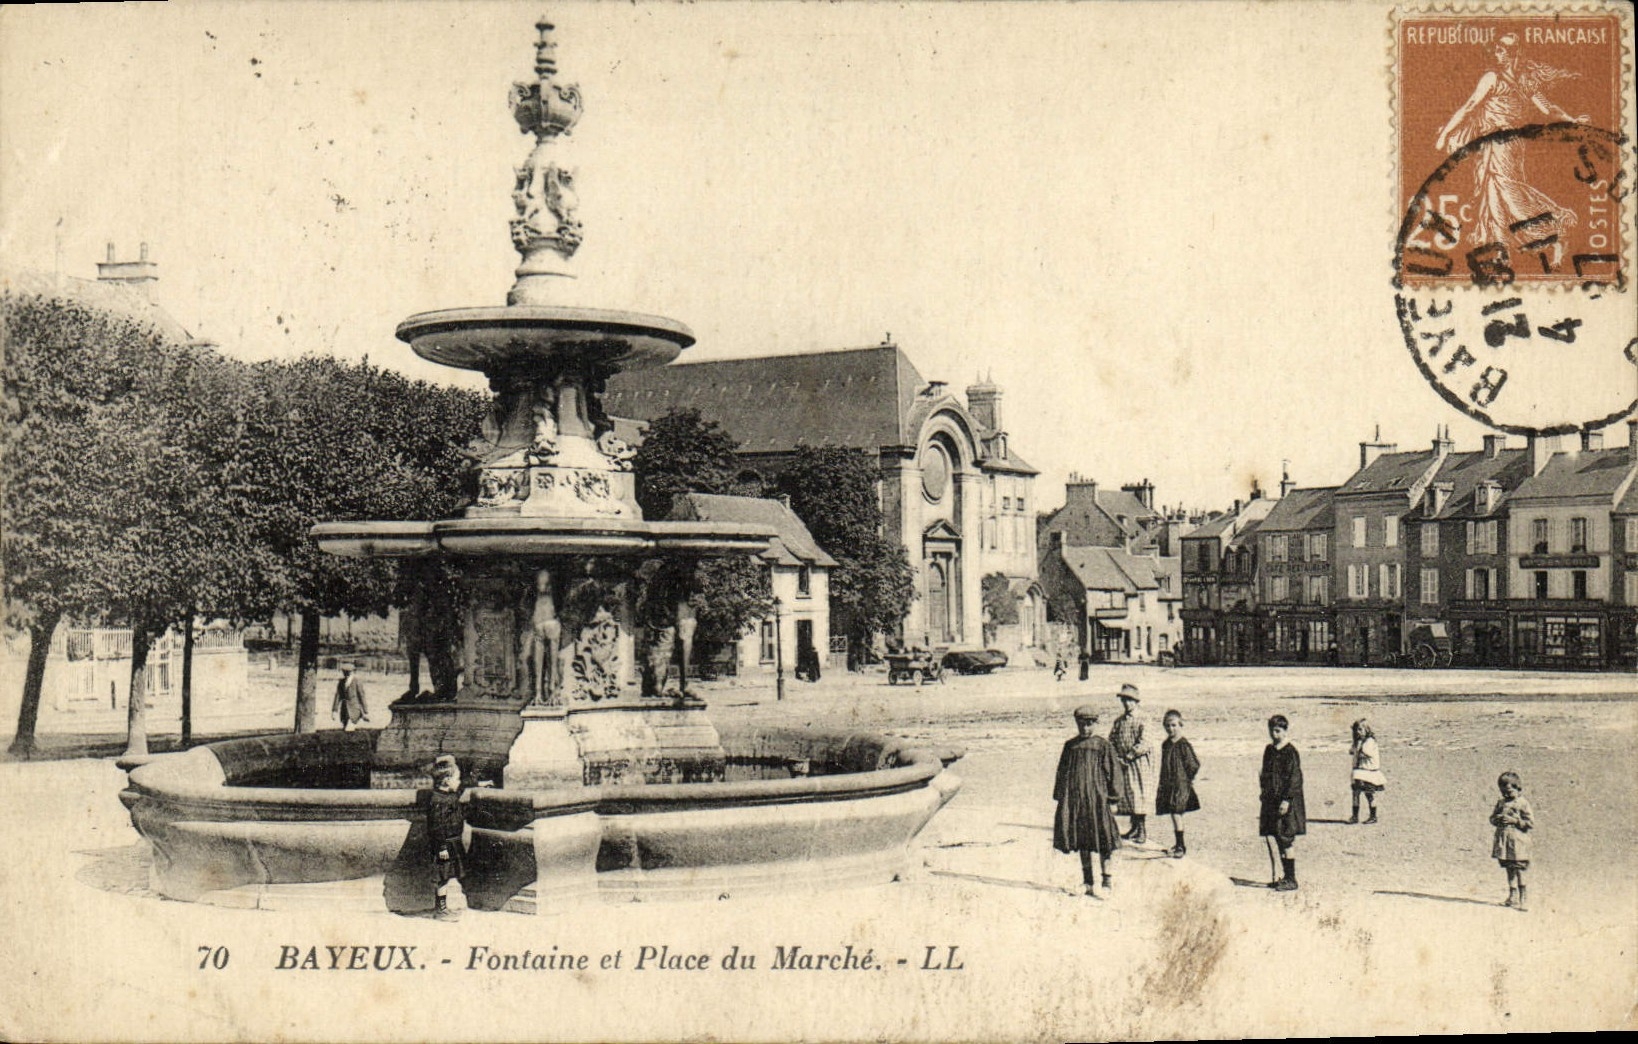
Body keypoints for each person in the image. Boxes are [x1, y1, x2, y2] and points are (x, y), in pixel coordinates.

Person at [1432, 33, 1589, 260]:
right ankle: (1498, 246)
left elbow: (1470, 107)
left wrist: (1445, 134)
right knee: (1495, 191)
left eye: (1501, 50)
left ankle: (1553, 222)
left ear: (1513, 53)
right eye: (1497, 49)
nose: (1497, 53)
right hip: (1509, 145)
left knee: (1506, 189)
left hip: (1500, 145)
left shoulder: (1496, 79)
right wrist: (1572, 119)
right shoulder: (1520, 81)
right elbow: (1548, 109)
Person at [1053, 705, 1121, 898]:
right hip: (1077, 801)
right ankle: (1088, 882)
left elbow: (1114, 773)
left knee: (1104, 841)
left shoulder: (1103, 745)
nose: (1085, 728)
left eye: (1090, 724)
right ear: (1077, 723)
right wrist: (1062, 798)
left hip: (1098, 801)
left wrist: (1114, 799)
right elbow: (1062, 773)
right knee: (1083, 841)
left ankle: (1107, 883)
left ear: (1096, 723)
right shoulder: (1070, 746)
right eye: (1082, 724)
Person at [1259, 714, 1306, 891]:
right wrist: (1263, 792)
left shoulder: (1290, 752)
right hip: (1271, 801)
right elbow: (1265, 774)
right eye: (1271, 730)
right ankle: (1282, 876)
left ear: (1285, 731)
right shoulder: (1269, 750)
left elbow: (1295, 779)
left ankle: (1291, 878)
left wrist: (1287, 800)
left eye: (1278, 730)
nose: (1274, 733)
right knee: (1276, 836)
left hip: (1286, 803)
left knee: (1286, 839)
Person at [1108, 683, 1152, 844]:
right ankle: (1133, 828)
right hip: (1122, 763)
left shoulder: (1144, 719)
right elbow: (1111, 739)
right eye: (1124, 700)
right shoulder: (1119, 721)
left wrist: (1129, 755)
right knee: (1128, 795)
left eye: (1130, 700)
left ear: (1136, 701)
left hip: (1139, 764)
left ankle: (1142, 830)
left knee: (1139, 794)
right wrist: (1115, 757)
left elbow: (1145, 742)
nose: (1127, 703)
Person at [1155, 709, 1200, 858]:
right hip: (1169, 784)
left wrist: (1186, 779)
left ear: (1181, 725)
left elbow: (1194, 765)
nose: (1171, 729)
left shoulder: (1183, 745)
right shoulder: (1166, 744)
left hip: (1180, 784)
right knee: (1173, 812)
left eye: (1174, 725)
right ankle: (1178, 843)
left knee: (1176, 812)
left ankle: (1181, 845)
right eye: (1167, 726)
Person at [428, 755, 467, 920]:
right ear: (447, 780)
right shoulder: (438, 800)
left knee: (448, 874)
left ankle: (444, 908)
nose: (459, 782)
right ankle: (441, 910)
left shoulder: (449, 795)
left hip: (453, 842)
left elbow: (461, 788)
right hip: (444, 844)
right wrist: (441, 848)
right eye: (456, 778)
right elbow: (436, 827)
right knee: (442, 877)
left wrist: (480, 784)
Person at [1490, 771, 1534, 912]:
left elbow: (1530, 823)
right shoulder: (1501, 802)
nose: (1507, 794)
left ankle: (1523, 899)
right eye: (1504, 792)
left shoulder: (1523, 803)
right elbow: (1491, 818)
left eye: (1510, 791)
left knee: (1520, 869)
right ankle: (1512, 896)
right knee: (1509, 868)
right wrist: (1497, 818)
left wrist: (1514, 820)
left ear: (1517, 788)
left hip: (1518, 842)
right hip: (1504, 840)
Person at [1348, 718, 1386, 824]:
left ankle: (1373, 816)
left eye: (1360, 729)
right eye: (1356, 730)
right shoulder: (1358, 742)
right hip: (1359, 771)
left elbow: (1365, 752)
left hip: (1368, 772)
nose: (1358, 732)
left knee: (1369, 794)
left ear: (1367, 730)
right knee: (1355, 793)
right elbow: (1351, 751)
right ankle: (1355, 816)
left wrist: (1358, 746)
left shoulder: (1370, 741)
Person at [331, 663, 368, 731]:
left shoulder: (357, 682)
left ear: (352, 672)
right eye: (344, 672)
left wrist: (365, 712)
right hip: (344, 710)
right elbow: (338, 696)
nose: (346, 674)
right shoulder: (341, 682)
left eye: (348, 672)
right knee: (345, 729)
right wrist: (334, 711)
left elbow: (362, 696)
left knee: (349, 729)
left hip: (355, 710)